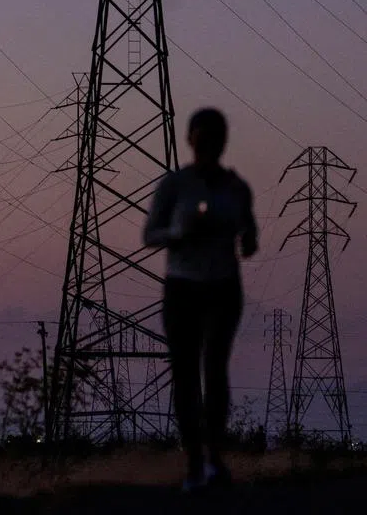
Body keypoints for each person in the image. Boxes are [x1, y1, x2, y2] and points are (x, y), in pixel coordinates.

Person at [143, 107, 258, 492]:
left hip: (223, 286)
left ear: (223, 142)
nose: (208, 144)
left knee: (215, 369)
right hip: (183, 286)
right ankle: (194, 460)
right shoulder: (174, 186)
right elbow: (150, 234)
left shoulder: (236, 188)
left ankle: (214, 458)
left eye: (215, 137)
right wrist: (181, 231)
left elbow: (250, 235)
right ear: (191, 140)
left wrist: (244, 238)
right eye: (202, 137)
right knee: (186, 373)